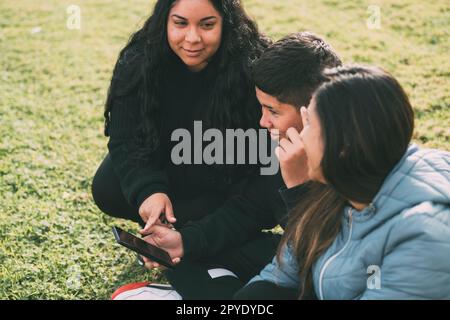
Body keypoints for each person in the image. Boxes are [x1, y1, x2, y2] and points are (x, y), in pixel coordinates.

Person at [111, 32, 342, 300]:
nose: (263, 122)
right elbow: (250, 209)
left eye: (274, 112)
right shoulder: (280, 145)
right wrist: (185, 242)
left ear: (314, 109)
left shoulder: (353, 156)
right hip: (293, 257)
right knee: (184, 254)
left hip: (327, 277)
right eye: (262, 109)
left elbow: (333, 261)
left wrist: (299, 186)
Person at [234, 65, 450, 300]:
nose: (301, 136)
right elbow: (282, 274)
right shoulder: (343, 186)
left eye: (310, 126)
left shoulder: (422, 238)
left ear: (343, 147)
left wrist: (299, 189)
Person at [92, 0, 270, 243]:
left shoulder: (254, 63)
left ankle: (200, 232)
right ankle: (168, 225)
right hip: (173, 164)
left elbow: (263, 152)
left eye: (207, 25)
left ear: (226, 23)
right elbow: (126, 139)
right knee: (109, 185)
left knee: (269, 196)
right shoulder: (138, 60)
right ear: (165, 20)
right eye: (180, 23)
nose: (192, 38)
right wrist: (150, 191)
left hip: (227, 173)